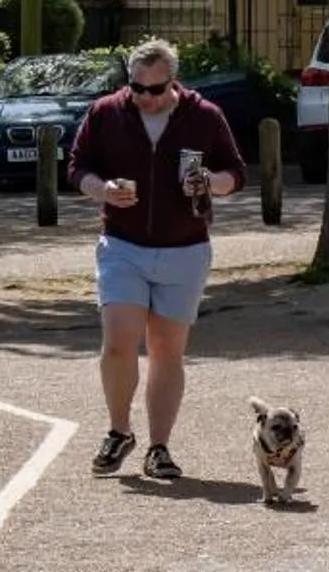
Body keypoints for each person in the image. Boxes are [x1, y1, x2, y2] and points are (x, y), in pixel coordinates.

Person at [69, 39, 246, 482]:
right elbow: (77, 167)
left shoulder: (205, 116)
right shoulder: (106, 112)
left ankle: (159, 447)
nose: (146, 98)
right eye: (137, 88)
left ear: (174, 83)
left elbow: (236, 173)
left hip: (185, 246)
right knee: (118, 340)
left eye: (156, 89)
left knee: (167, 350)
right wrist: (103, 191)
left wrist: (209, 182)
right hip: (123, 244)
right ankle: (118, 430)